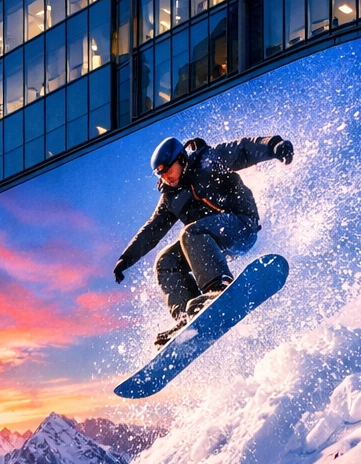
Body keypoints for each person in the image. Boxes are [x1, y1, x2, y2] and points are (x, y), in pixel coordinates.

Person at [114, 134, 295, 347]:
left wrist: (274, 146)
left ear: (181, 159)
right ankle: (187, 317)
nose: (167, 178)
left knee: (190, 232)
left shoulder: (207, 160)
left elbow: (243, 149)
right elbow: (151, 230)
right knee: (166, 262)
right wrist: (126, 259)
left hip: (241, 225)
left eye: (169, 170)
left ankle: (218, 289)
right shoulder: (170, 198)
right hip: (211, 243)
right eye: (161, 175)